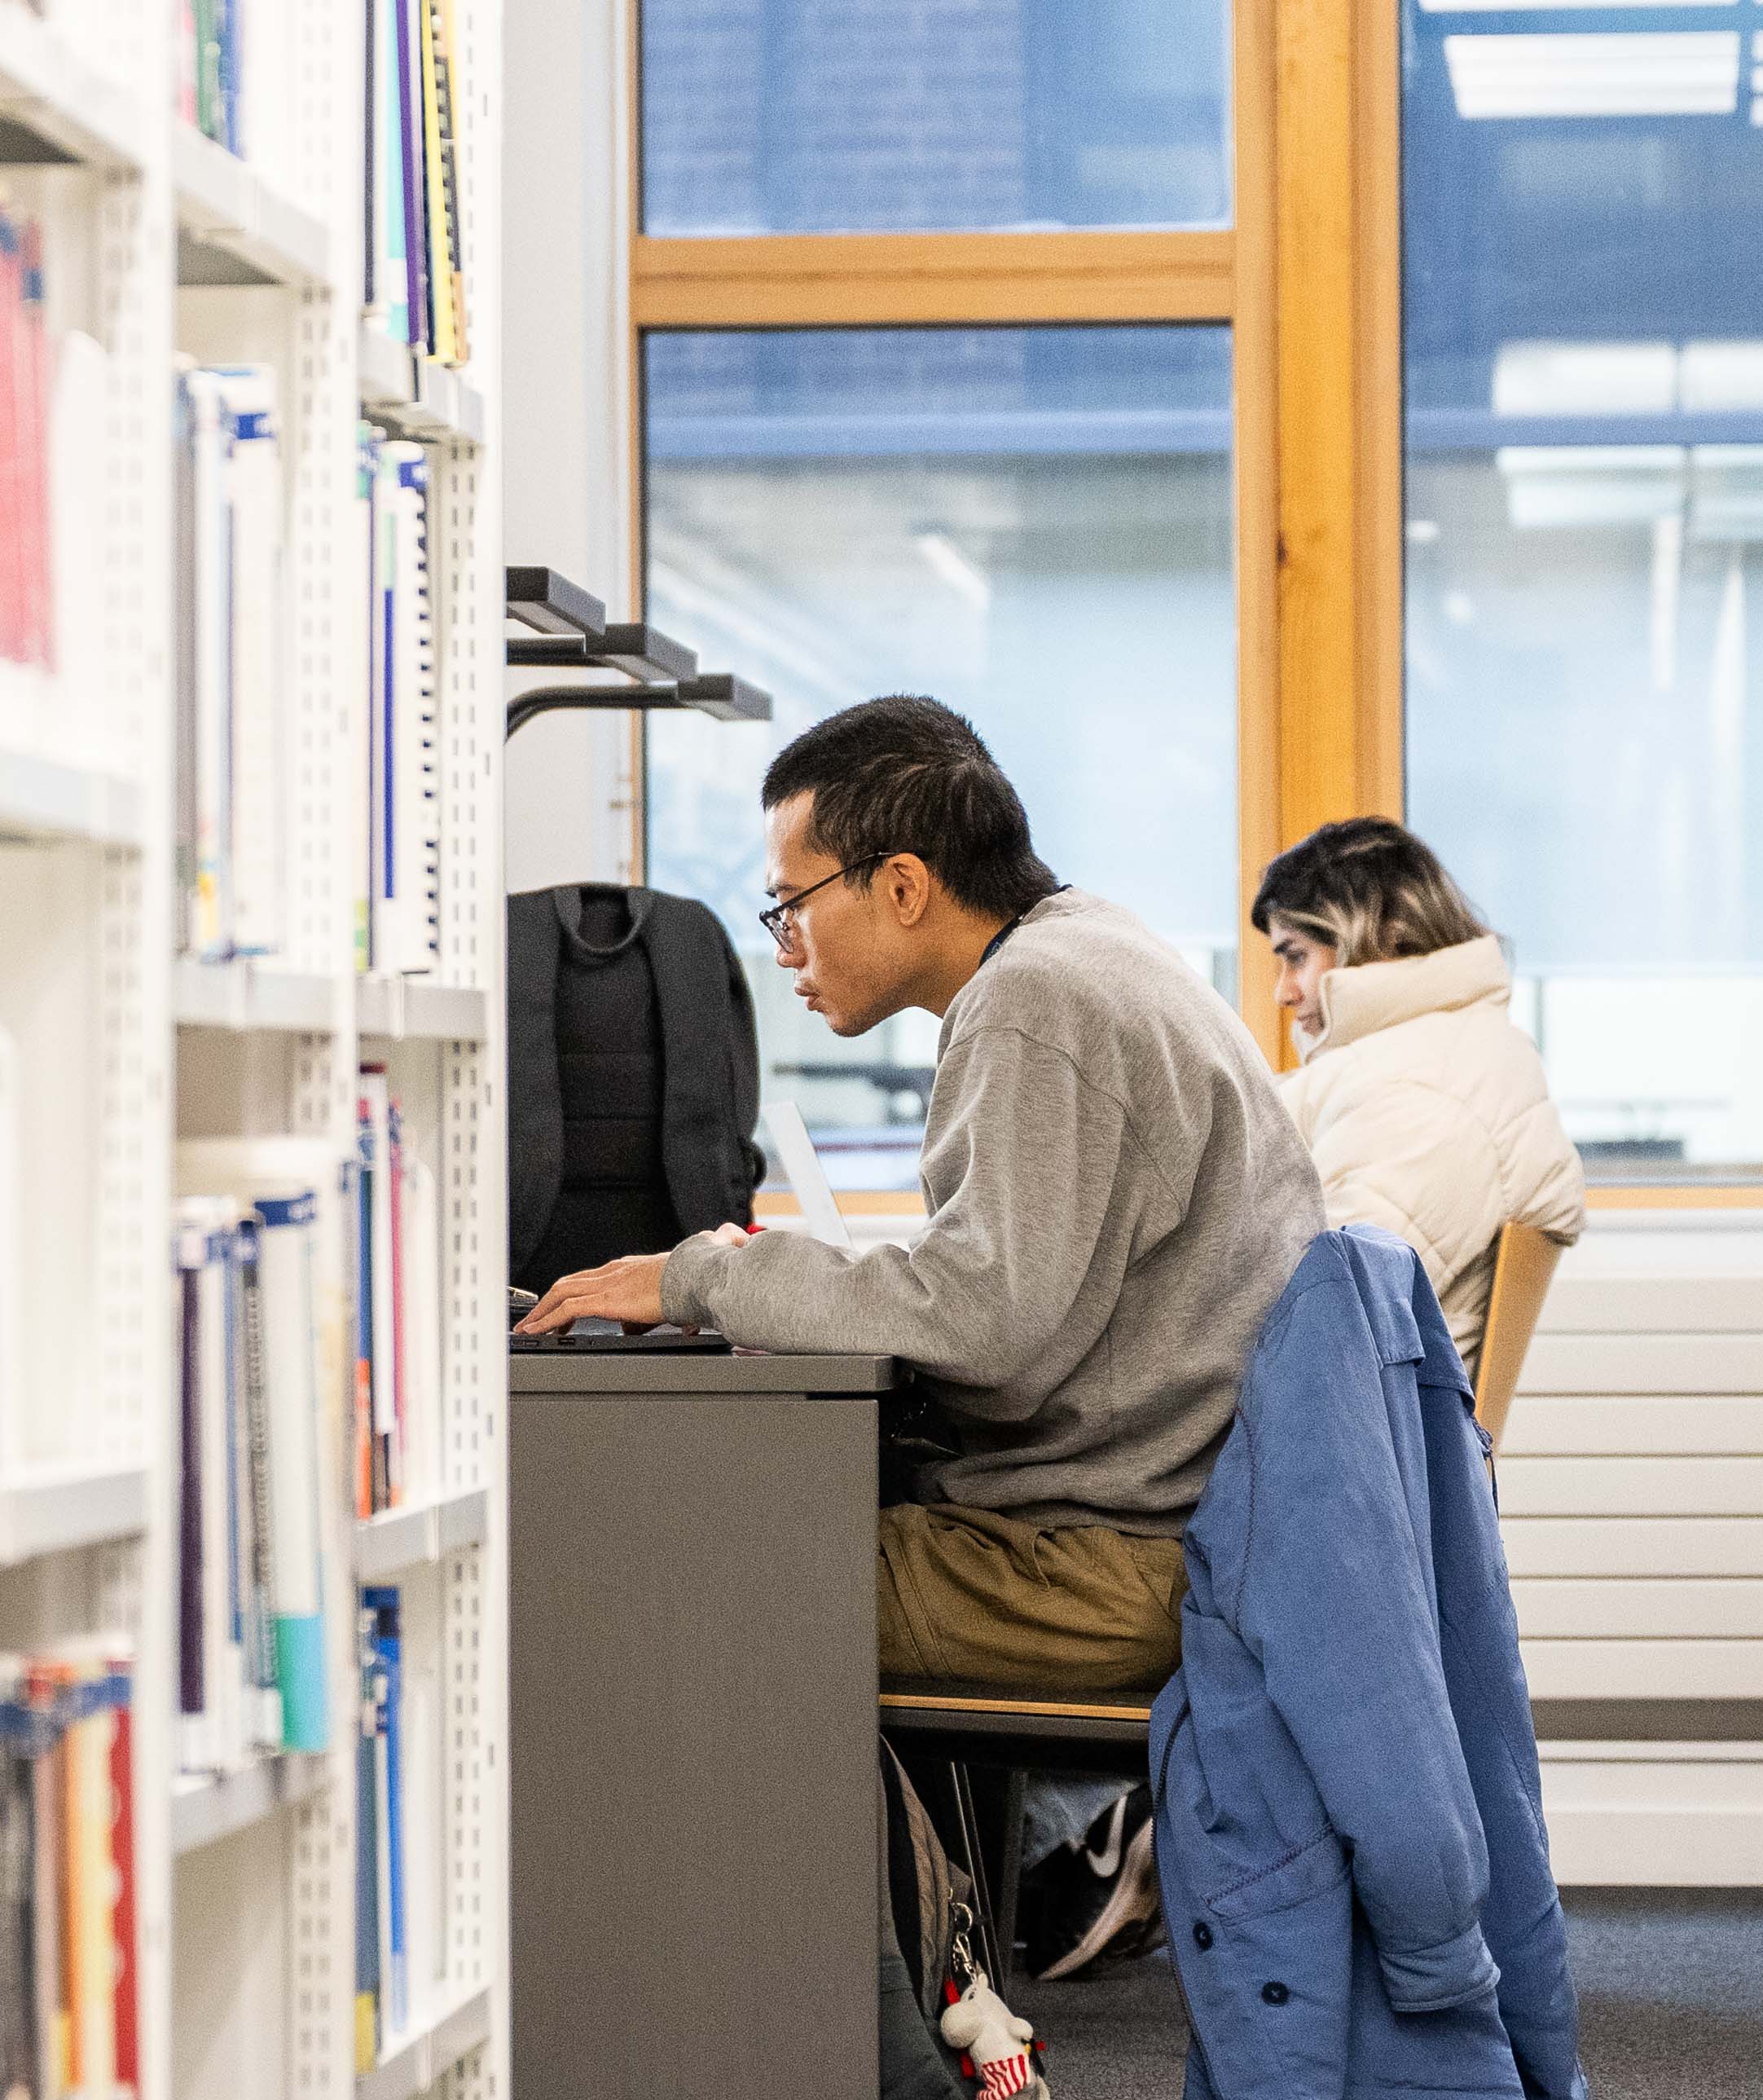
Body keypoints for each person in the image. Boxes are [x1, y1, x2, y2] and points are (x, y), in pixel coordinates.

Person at [514, 696, 1321, 1696]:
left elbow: (977, 1324)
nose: (783, 950)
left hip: (1107, 1567)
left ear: (900, 885)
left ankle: (867, 1861)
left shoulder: (1033, 1004)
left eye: (791, 907)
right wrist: (774, 1287)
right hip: (1166, 1530)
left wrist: (706, 1281)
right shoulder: (1088, 948)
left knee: (645, 1574)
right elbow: (1002, 1296)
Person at [1251, 817, 1587, 1367]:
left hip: (1360, 1437)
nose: (1281, 992)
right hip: (1366, 1425)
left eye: (1296, 956)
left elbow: (1328, 1317)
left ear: (1379, 934)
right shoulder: (1431, 1057)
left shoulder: (1422, 1089)